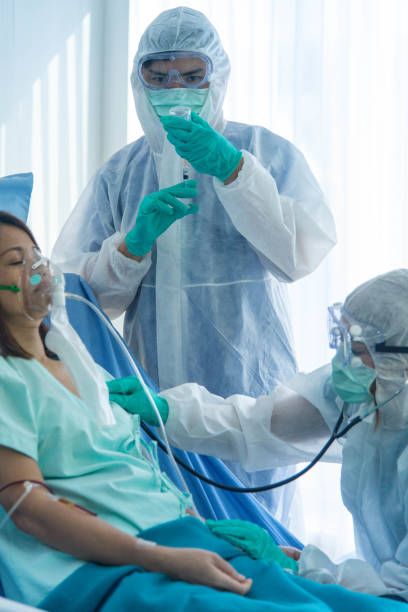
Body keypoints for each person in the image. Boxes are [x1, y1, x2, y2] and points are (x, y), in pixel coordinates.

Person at [0, 213, 402, 612]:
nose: (41, 268)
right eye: (17, 261)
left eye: (37, 253)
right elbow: (259, 423)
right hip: (130, 561)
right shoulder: (18, 377)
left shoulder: (82, 367)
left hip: (181, 545)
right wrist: (167, 414)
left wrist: (298, 563)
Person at [51, 6, 336, 516]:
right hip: (153, 396)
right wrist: (130, 247)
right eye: (158, 76)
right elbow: (75, 299)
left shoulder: (266, 152)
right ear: (139, 81)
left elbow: (299, 256)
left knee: (262, 540)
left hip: (253, 389)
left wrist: (234, 173)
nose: (174, 87)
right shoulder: (121, 173)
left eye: (191, 75)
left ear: (218, 75)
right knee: (175, 538)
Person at [111, 268, 408, 602]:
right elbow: (262, 423)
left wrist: (304, 568)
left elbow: (399, 595)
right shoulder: (369, 392)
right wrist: (169, 411)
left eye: (356, 347)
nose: (341, 360)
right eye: (340, 339)